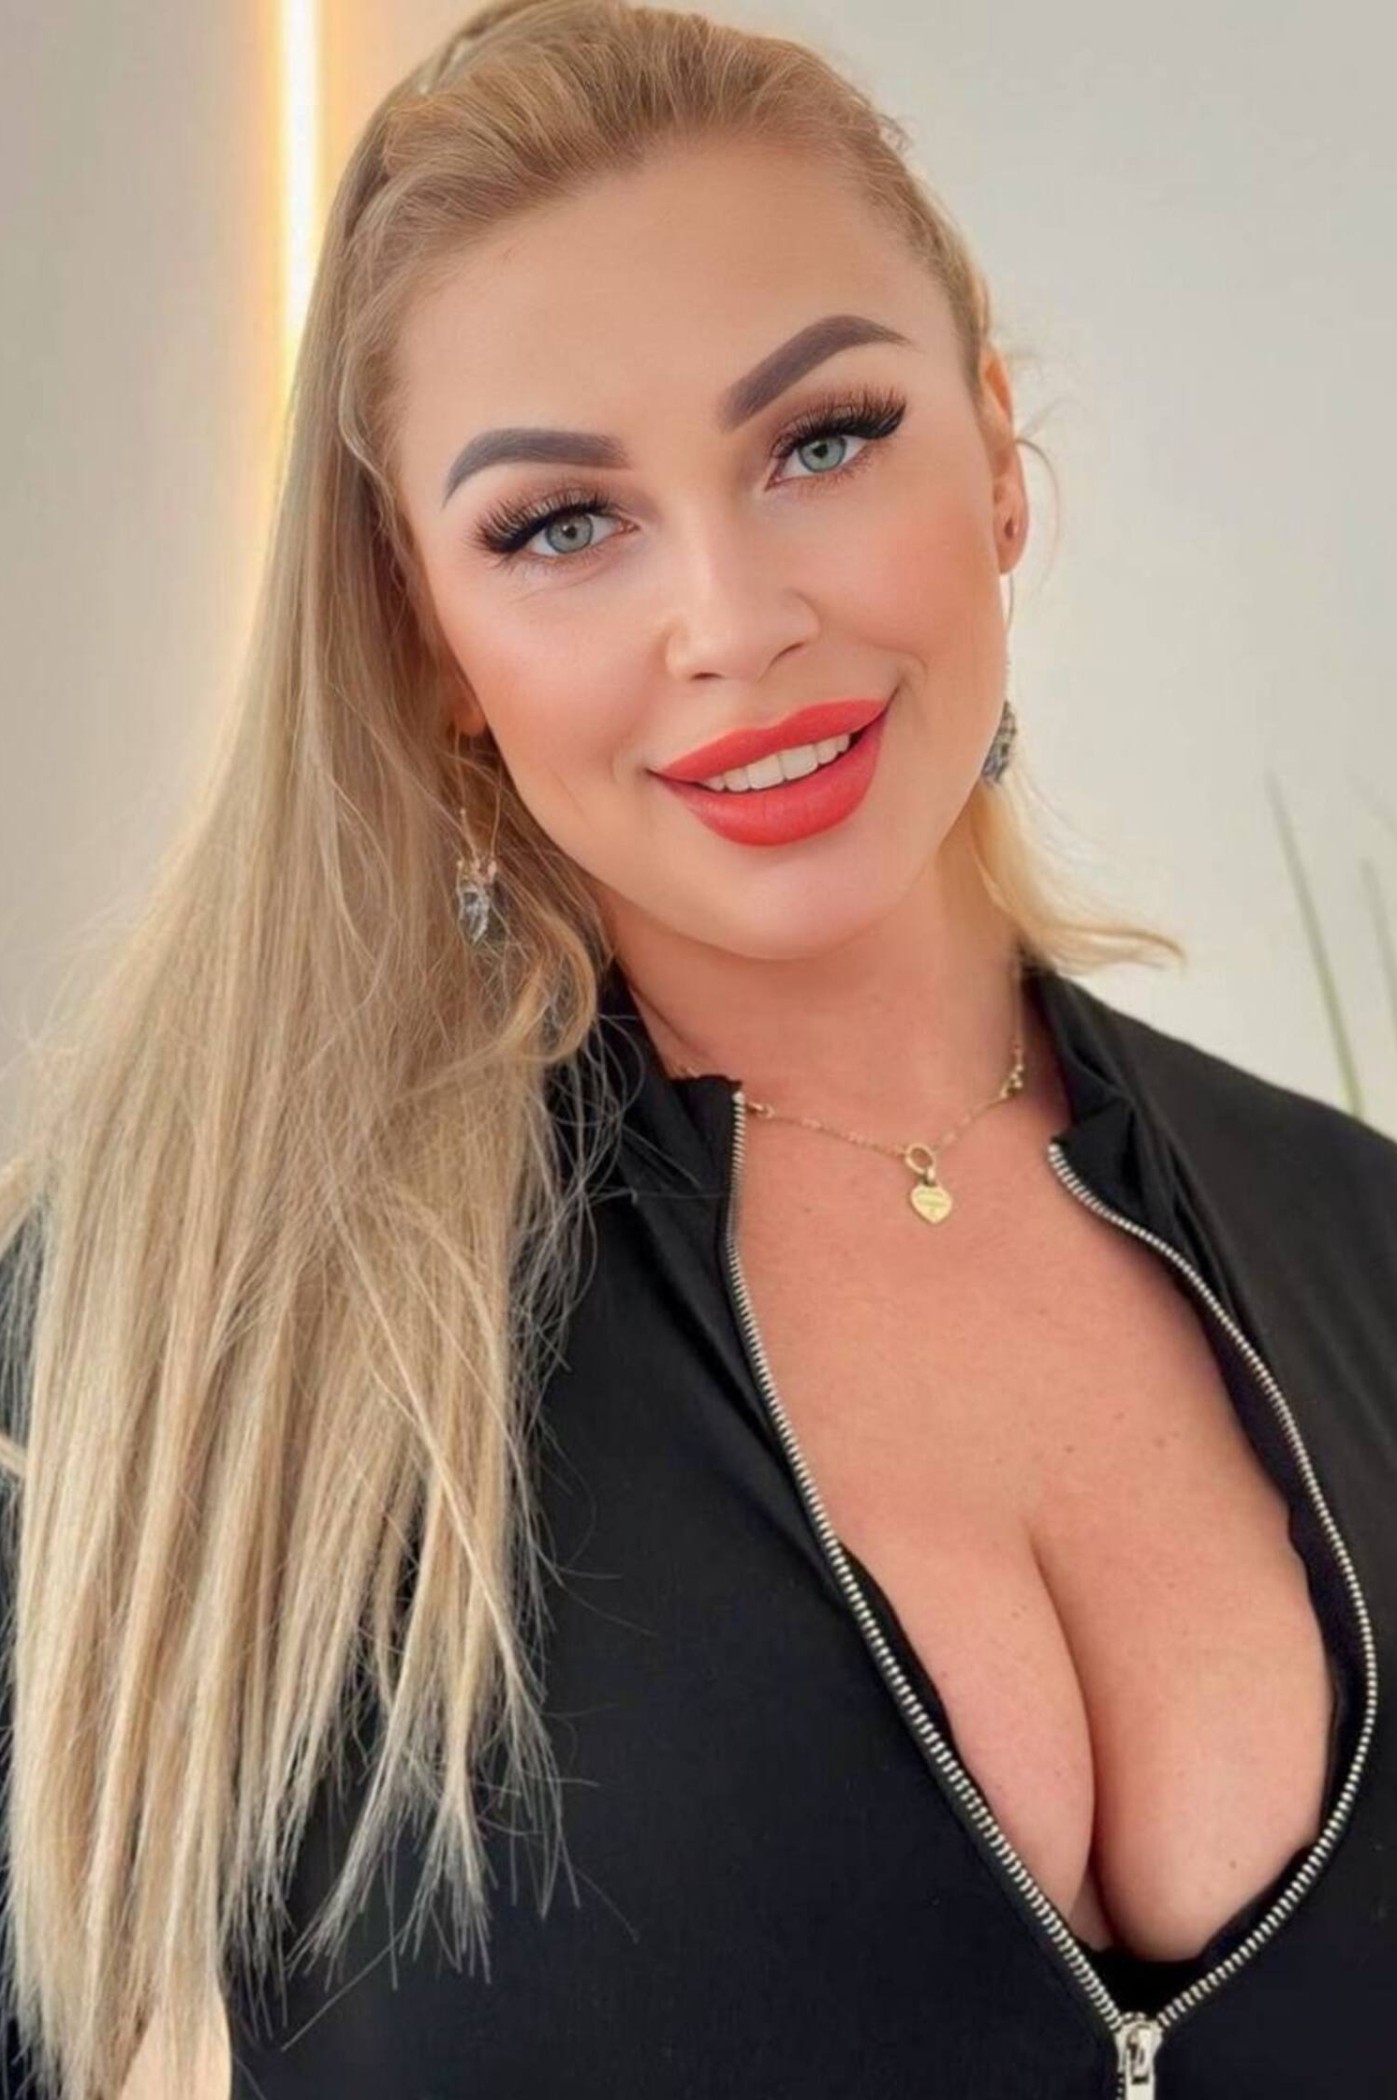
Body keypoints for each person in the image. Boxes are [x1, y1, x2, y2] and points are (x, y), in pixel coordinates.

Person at [2, 2, 1394, 2094]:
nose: (734, 623)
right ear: (428, 637)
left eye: (822, 439)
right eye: (561, 524)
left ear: (995, 457)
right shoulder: (187, 1319)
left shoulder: (1359, 1236)